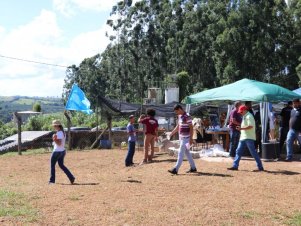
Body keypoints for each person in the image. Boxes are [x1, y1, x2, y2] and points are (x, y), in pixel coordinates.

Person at [227, 105, 264, 171]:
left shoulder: (249, 116)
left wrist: (241, 128)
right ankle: (235, 166)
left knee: (253, 152)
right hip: (243, 137)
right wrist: (241, 128)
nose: (240, 113)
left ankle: (260, 167)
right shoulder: (245, 116)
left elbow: (251, 126)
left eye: (241, 112)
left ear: (245, 110)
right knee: (238, 151)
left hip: (249, 137)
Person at [168, 104, 197, 175]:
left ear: (180, 109)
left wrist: (191, 139)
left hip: (186, 139)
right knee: (187, 153)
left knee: (181, 153)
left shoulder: (187, 116)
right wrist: (171, 133)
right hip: (182, 138)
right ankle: (193, 168)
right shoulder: (180, 116)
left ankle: (175, 169)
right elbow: (178, 126)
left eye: (176, 111)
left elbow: (191, 128)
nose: (176, 113)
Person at [49, 120, 75, 184]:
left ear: (58, 126)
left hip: (57, 151)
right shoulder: (62, 132)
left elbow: (59, 143)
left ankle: (52, 181)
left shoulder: (59, 133)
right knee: (61, 165)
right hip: (62, 151)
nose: (54, 127)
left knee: (52, 165)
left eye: (55, 126)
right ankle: (71, 177)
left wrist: (54, 139)